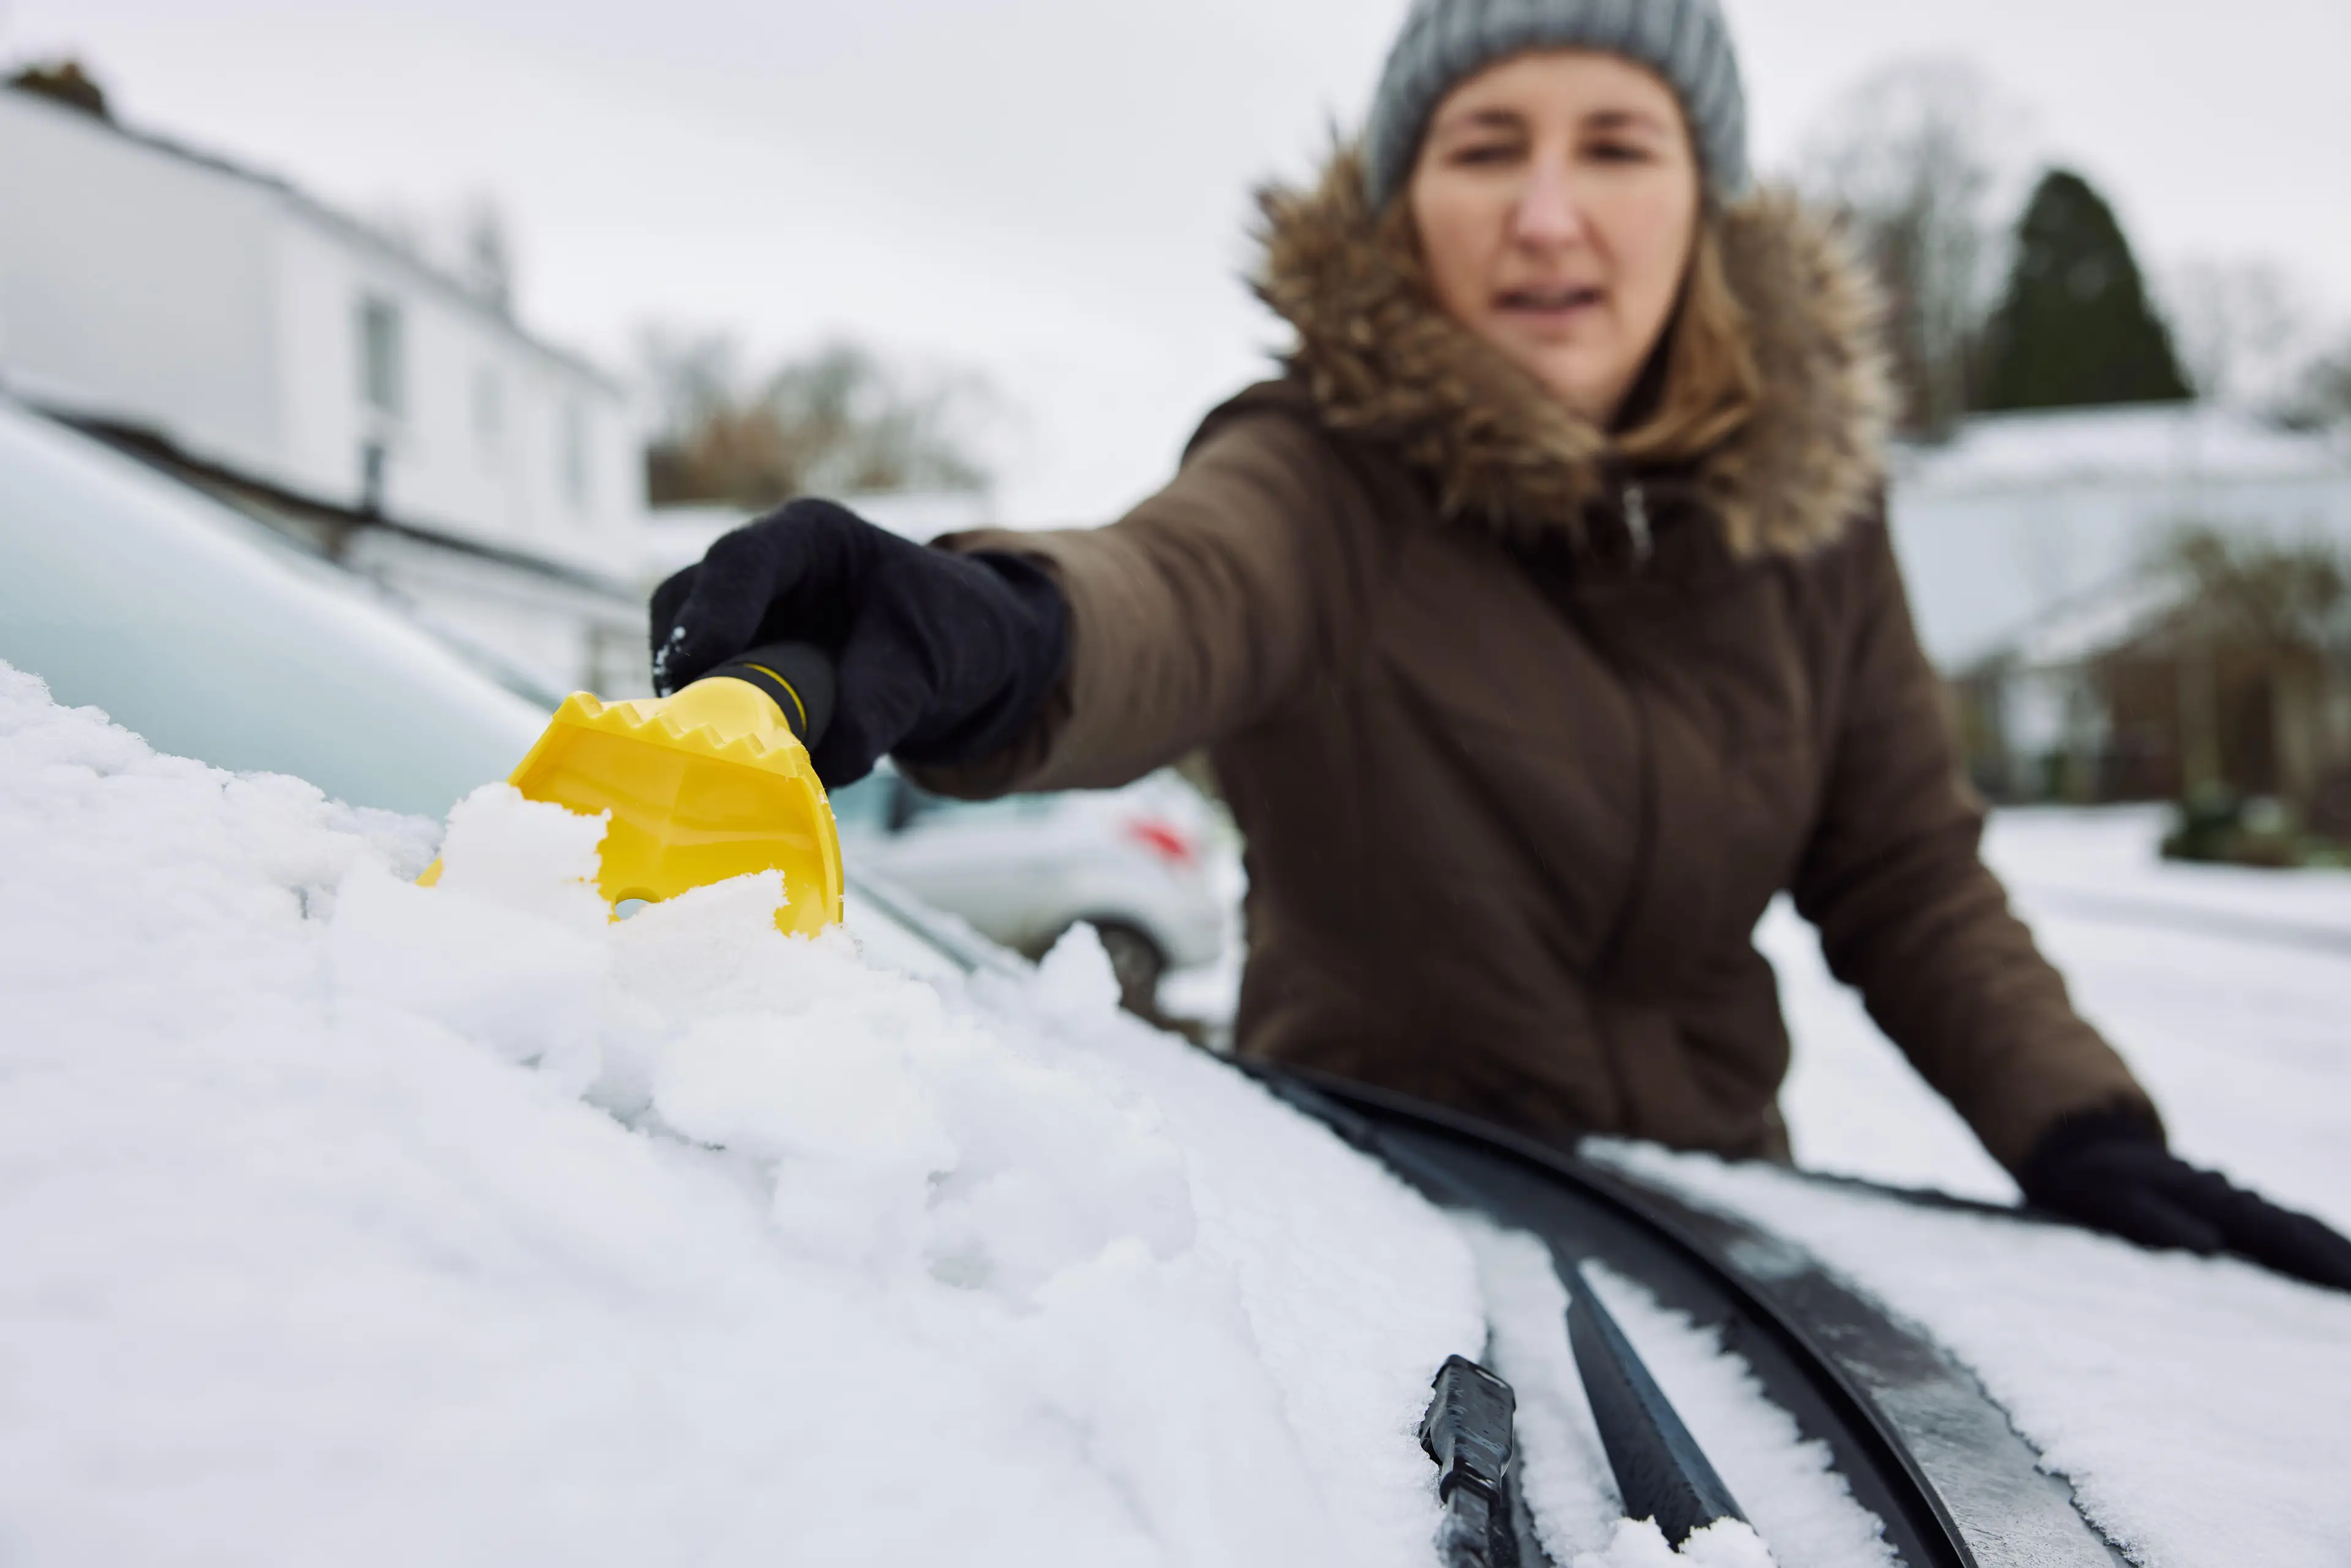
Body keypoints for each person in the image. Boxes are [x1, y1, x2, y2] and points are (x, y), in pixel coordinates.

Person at [650, 0, 2351, 1290]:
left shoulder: (1813, 524)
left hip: (1732, 1256)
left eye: (1616, 144)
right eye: (1483, 148)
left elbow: (1909, 878)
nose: (1548, 213)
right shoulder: (1320, 477)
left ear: (1705, 200)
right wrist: (1002, 625)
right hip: (1391, 1242)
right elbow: (1175, 589)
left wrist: (2082, 1131)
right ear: (1406, 203)